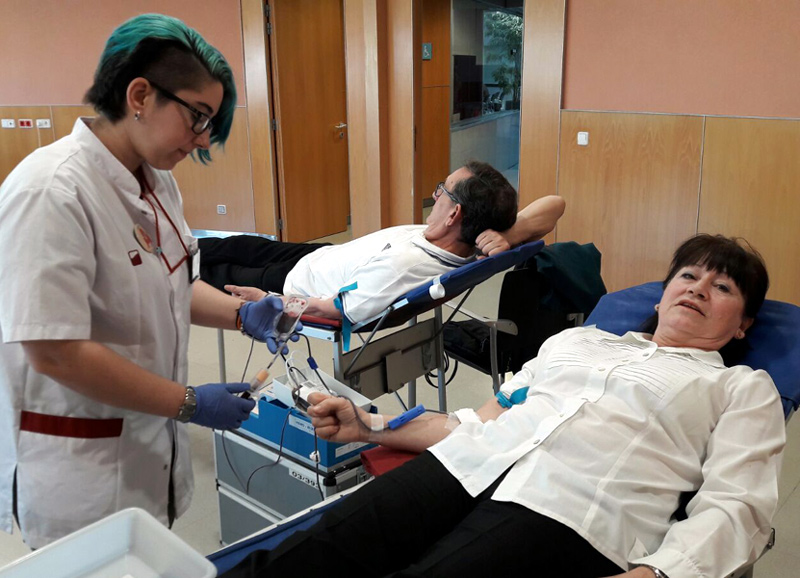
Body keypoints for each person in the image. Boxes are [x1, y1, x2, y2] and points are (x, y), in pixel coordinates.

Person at [221, 234, 785, 578]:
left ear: (743, 325)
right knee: (322, 546)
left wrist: (656, 574)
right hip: (468, 465)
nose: (698, 288)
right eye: (688, 275)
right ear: (661, 293)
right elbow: (479, 420)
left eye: (723, 287)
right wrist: (370, 427)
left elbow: (739, 508)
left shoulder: (741, 388)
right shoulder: (577, 342)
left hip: (572, 511)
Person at [0, 14, 293, 549]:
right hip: (81, 468)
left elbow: (175, 284)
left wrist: (240, 314)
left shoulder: (158, 185)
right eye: (198, 117)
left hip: (147, 448)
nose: (202, 139)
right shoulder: (51, 191)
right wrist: (189, 402)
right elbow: (54, 352)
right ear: (140, 94)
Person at [201, 164, 565, 322]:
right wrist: (509, 234)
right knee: (237, 242)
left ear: (454, 215)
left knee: (209, 270)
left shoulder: (402, 270)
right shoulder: (464, 239)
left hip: (290, 282)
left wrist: (272, 301)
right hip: (320, 257)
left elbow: (333, 311)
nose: (434, 195)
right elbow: (555, 204)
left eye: (442, 191)